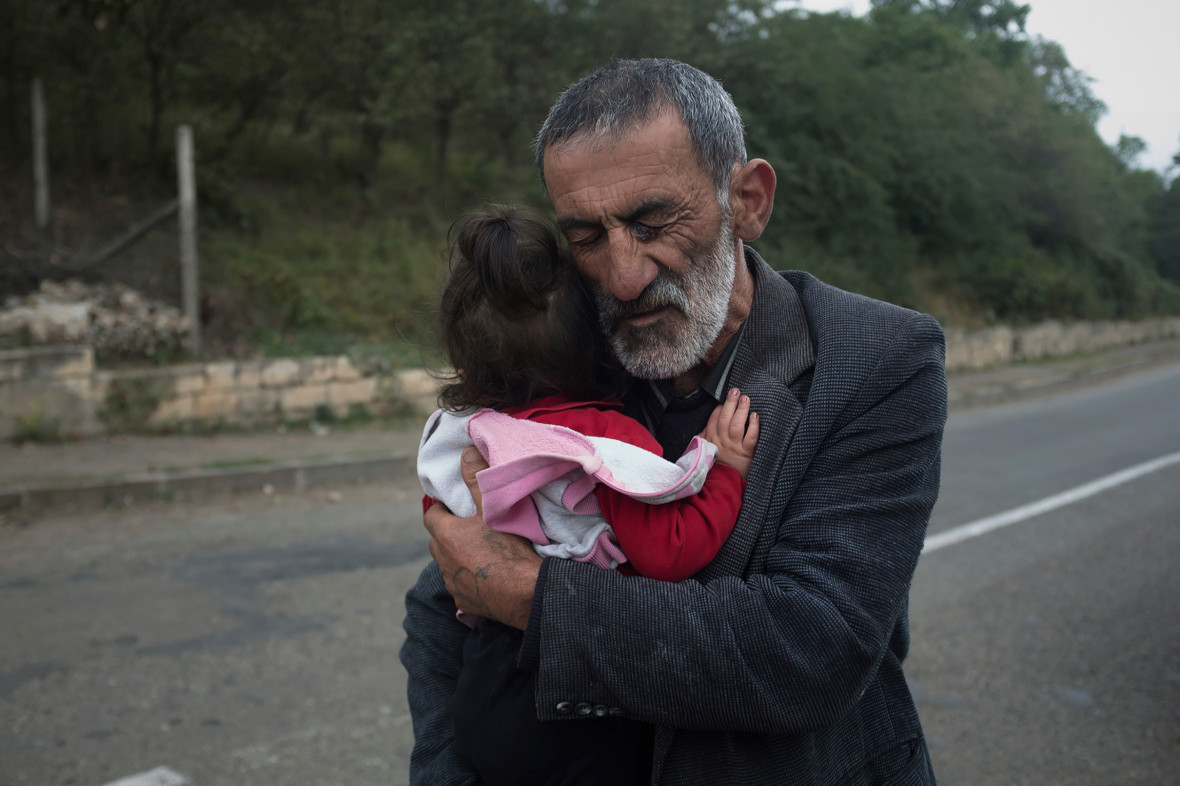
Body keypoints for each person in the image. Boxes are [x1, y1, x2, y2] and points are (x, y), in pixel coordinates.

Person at [401, 58, 947, 785]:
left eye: (653, 222)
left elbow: (812, 649)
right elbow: (444, 601)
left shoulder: (880, 356)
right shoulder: (565, 360)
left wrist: (528, 596)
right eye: (586, 238)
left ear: (748, 201)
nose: (623, 276)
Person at [415, 205, 761, 783]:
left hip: (483, 687)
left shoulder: (465, 433)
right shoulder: (602, 442)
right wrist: (725, 469)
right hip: (572, 711)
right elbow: (669, 553)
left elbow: (446, 523)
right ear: (600, 344)